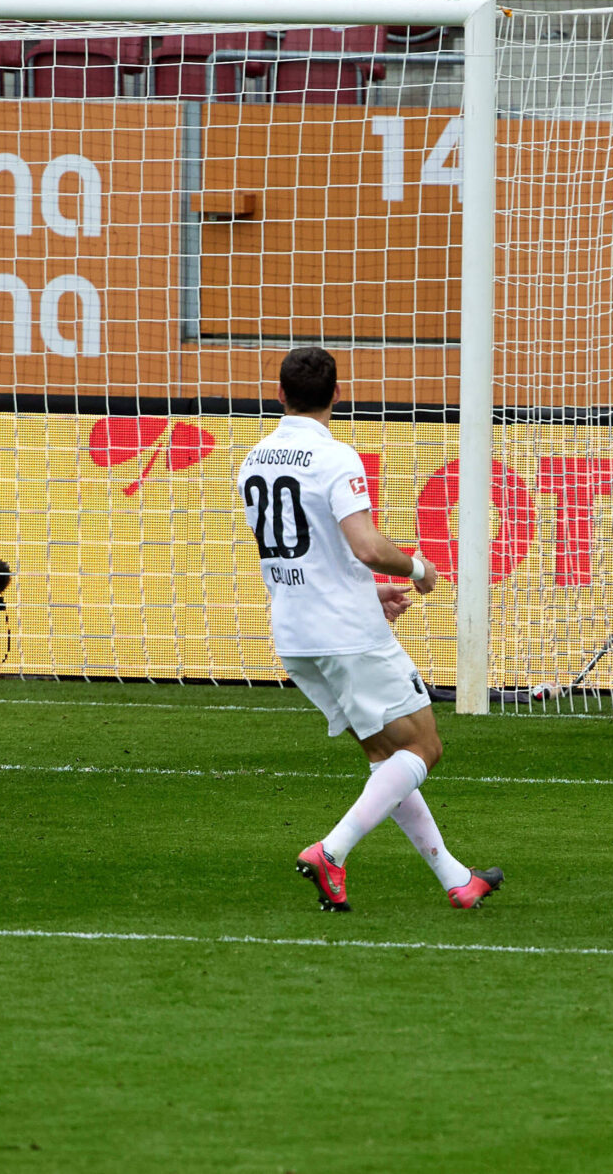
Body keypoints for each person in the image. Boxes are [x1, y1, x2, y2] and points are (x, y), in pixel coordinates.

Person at [238, 346, 501, 912]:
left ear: (279, 395)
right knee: (423, 748)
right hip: (348, 637)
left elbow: (309, 556)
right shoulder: (335, 459)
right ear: (337, 395)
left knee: (387, 757)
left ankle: (456, 879)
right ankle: (331, 851)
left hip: (296, 635)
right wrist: (416, 568)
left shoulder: (253, 461)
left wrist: (366, 590)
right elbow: (365, 546)